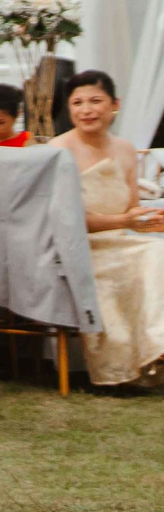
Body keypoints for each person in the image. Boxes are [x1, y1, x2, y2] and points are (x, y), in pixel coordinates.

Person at [51, 70, 164, 389]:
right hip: (80, 248)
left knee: (156, 249)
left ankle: (154, 352)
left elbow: (131, 209)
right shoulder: (59, 150)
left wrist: (150, 220)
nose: (86, 109)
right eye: (78, 103)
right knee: (155, 252)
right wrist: (125, 222)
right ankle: (144, 353)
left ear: (114, 104)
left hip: (122, 242)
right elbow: (65, 218)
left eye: (95, 101)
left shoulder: (126, 149)